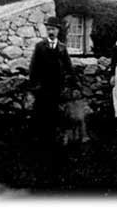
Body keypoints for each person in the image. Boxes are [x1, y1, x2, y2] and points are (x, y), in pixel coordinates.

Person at [29, 16, 75, 147]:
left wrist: (74, 84)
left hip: (57, 86)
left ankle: (55, 141)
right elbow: (33, 67)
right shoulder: (39, 46)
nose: (51, 32)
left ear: (58, 31)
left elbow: (69, 67)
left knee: (56, 114)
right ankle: (40, 141)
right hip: (43, 87)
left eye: (53, 29)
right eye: (49, 29)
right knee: (41, 113)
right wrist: (35, 86)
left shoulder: (62, 47)